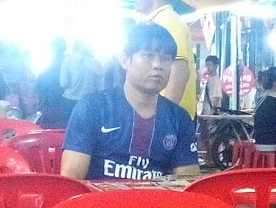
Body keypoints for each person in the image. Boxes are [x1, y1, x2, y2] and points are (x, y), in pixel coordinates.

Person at [61, 21, 200, 182]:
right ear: (125, 60)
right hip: (99, 198)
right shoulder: (92, 108)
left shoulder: (179, 119)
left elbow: (187, 183)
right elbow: (72, 181)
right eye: (148, 56)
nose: (158, 65)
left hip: (157, 199)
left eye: (166, 59)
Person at [132, 0, 199, 120]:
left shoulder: (168, 22)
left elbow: (179, 70)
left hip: (171, 122)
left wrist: (162, 120)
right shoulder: (159, 22)